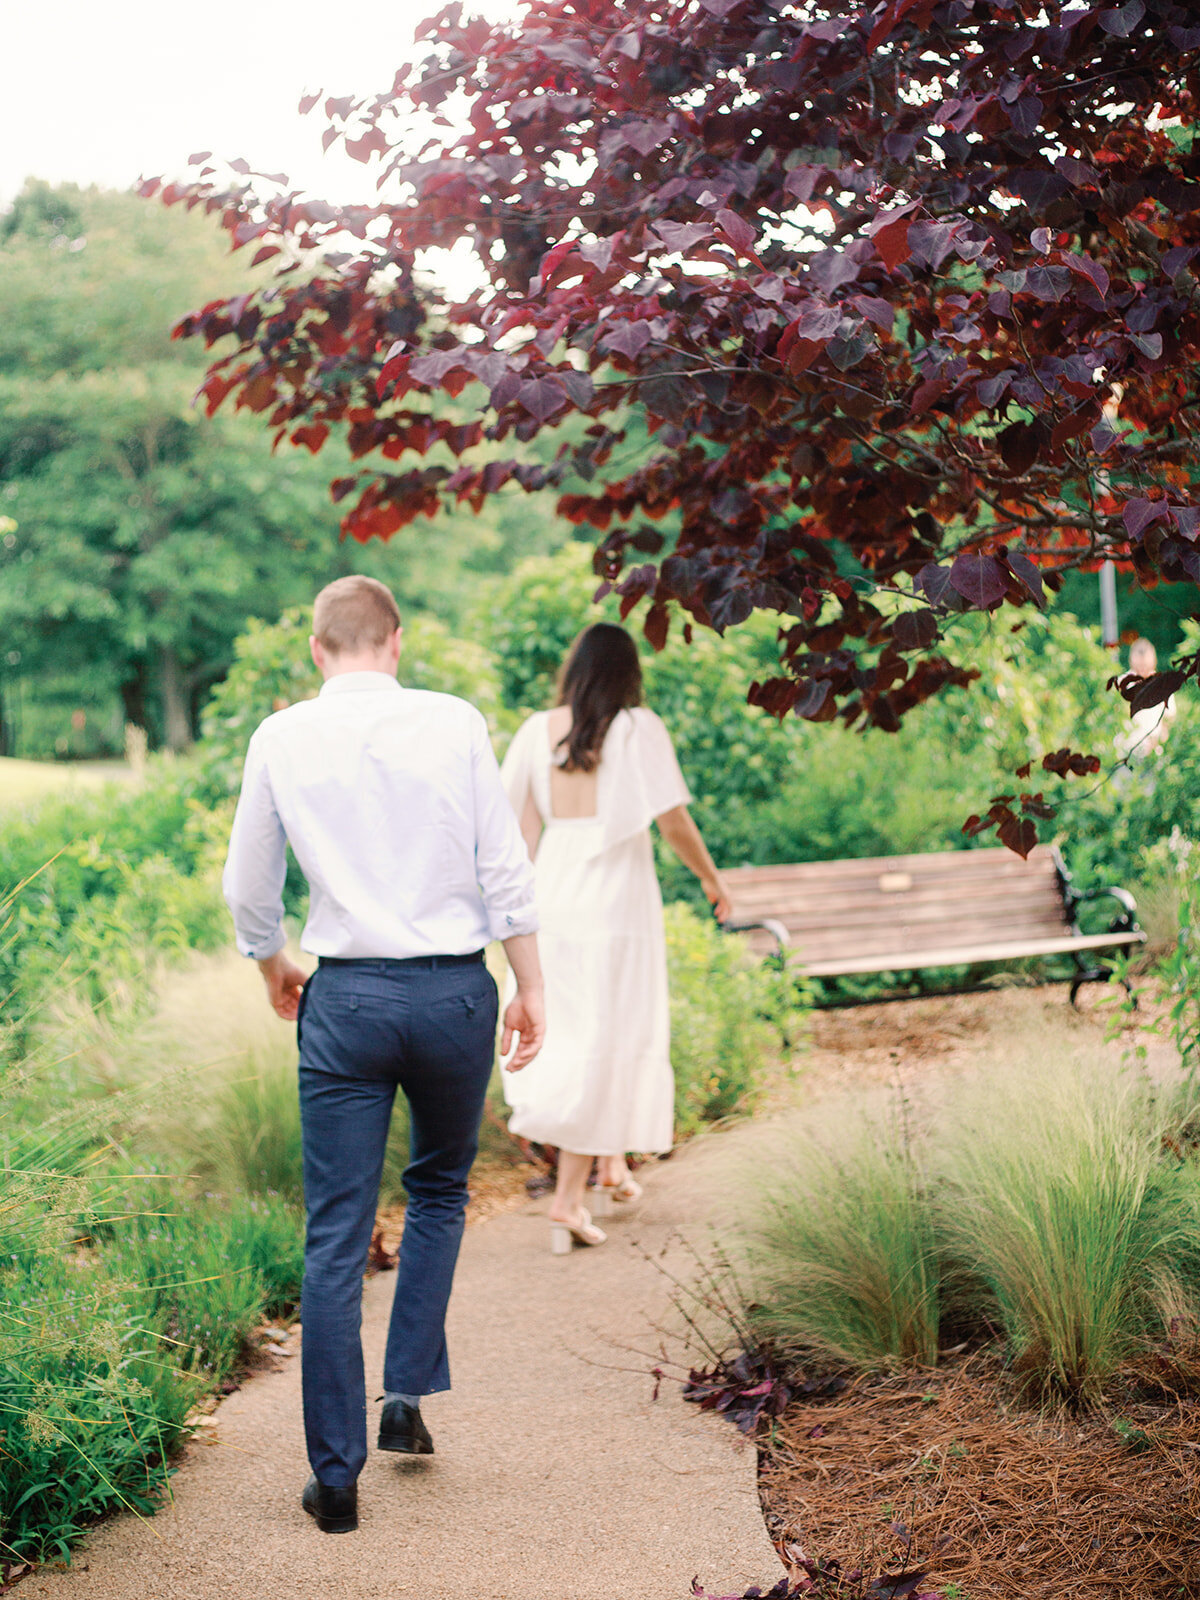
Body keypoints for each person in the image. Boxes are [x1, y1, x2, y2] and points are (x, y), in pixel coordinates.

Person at [222, 575, 545, 1535]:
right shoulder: (455, 722)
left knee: (334, 1235)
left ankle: (336, 1481)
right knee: (441, 1190)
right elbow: (504, 870)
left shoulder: (281, 735)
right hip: (453, 992)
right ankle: (403, 1392)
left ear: (318, 648)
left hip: (347, 999)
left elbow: (248, 883)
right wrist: (534, 986)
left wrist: (273, 963)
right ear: (394, 642)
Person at [499, 622, 731, 1253]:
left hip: (552, 900)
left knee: (577, 1036)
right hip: (617, 904)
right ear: (628, 673)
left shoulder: (531, 733)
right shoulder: (637, 728)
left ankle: (610, 1165)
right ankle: (569, 1202)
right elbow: (673, 820)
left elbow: (516, 843)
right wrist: (711, 878)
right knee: (611, 1035)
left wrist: (511, 921)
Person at [1118, 636, 1177, 760]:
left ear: (1154, 661)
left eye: (1145, 666)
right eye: (1139, 667)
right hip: (1125, 753)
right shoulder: (1122, 684)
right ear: (1131, 661)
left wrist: (1160, 742)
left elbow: (1169, 719)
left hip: (1154, 755)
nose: (1142, 670)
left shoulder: (1164, 684)